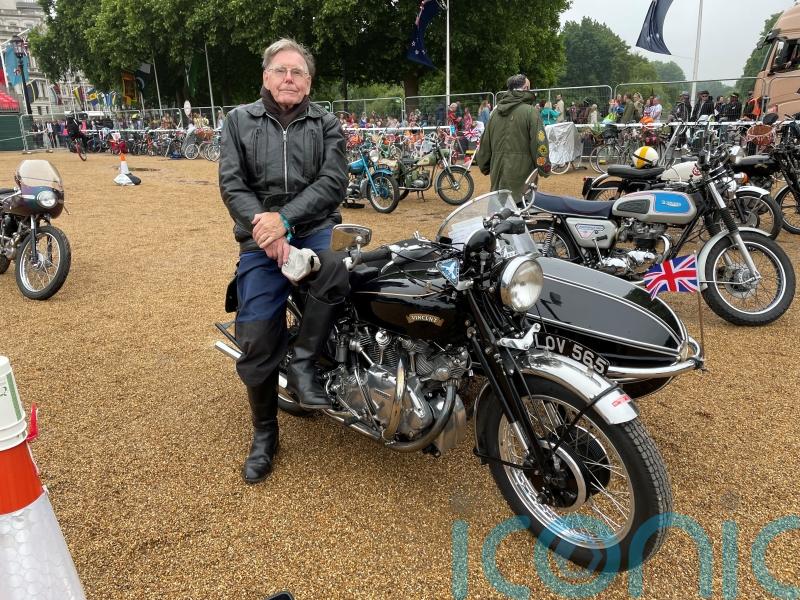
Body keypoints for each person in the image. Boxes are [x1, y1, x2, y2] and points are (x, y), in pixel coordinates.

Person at [218, 38, 349, 484]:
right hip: (259, 234)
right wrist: (267, 229)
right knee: (254, 334)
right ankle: (265, 432)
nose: (289, 78)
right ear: (266, 77)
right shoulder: (238, 121)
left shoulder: (327, 123)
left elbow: (332, 183)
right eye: (281, 70)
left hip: (311, 224)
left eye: (297, 72)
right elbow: (232, 185)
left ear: (309, 83)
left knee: (338, 269)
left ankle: (304, 362)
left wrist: (286, 223)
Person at [474, 73, 550, 200]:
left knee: (498, 216)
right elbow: (540, 144)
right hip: (522, 183)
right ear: (525, 89)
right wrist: (544, 167)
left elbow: (484, 145)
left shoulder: (495, 114)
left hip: (498, 180)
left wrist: (484, 166)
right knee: (520, 216)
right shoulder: (531, 112)